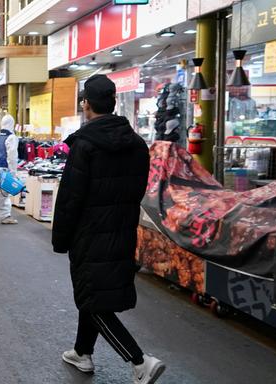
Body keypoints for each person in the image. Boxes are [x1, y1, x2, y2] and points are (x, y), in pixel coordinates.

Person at [52, 74, 165, 384]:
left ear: (86, 103)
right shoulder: (138, 145)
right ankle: (82, 352)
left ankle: (140, 362)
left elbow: (70, 198)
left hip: (88, 235)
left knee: (92, 298)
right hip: (123, 231)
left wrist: (60, 239)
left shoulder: (85, 144)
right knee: (93, 294)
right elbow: (138, 190)